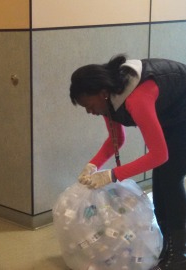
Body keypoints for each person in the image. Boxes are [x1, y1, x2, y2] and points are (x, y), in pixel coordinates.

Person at [70, 54, 186, 270]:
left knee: (169, 178)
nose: (89, 111)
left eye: (88, 104)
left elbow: (159, 154)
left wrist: (112, 175)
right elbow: (116, 140)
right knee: (161, 180)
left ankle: (179, 253)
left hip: (183, 111)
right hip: (171, 113)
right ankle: (166, 246)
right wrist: (93, 165)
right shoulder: (107, 100)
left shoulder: (136, 98)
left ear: (102, 93)